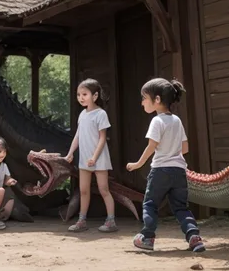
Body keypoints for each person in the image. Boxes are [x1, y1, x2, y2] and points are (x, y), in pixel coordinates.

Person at [126, 78, 205, 253]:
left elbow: (152, 146)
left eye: (144, 98)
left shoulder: (157, 121)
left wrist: (138, 163)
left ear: (157, 100)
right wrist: (172, 152)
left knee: (150, 205)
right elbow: (185, 148)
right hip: (179, 171)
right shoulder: (176, 120)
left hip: (160, 171)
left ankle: (147, 238)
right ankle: (194, 237)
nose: (142, 102)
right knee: (181, 208)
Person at [65, 78, 117, 233]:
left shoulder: (101, 114)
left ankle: (111, 221)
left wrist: (94, 157)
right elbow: (78, 136)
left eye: (84, 94)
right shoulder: (82, 114)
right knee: (83, 190)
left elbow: (102, 138)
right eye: (79, 94)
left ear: (94, 96)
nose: (81, 97)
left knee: (103, 189)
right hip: (84, 158)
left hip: (99, 158)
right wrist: (70, 153)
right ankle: (82, 221)